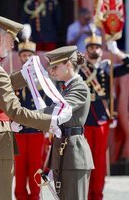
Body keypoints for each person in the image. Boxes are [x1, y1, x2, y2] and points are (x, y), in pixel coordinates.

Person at [0, 14, 72, 200]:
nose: (13, 45)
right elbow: (15, 110)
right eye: (11, 40)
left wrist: (23, 74)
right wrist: (52, 120)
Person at [79, 34, 129, 200]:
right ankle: (85, 193)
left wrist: (117, 52)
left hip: (101, 117)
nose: (94, 50)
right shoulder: (80, 69)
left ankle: (97, 194)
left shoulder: (108, 68)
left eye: (97, 47)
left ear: (102, 50)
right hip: (84, 118)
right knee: (84, 159)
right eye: (91, 47)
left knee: (99, 159)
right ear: (86, 51)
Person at [44, 46, 94, 200]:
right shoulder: (67, 88)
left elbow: (57, 110)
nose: (52, 71)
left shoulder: (79, 87)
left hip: (74, 154)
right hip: (65, 152)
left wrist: (23, 117)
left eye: (55, 67)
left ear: (68, 65)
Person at [14, 24, 51, 200]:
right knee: (20, 171)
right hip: (19, 131)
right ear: (20, 57)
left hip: (36, 131)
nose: (27, 58)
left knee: (36, 169)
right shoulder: (14, 78)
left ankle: (36, 197)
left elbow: (49, 104)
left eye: (30, 55)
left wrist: (48, 126)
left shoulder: (42, 79)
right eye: (24, 55)